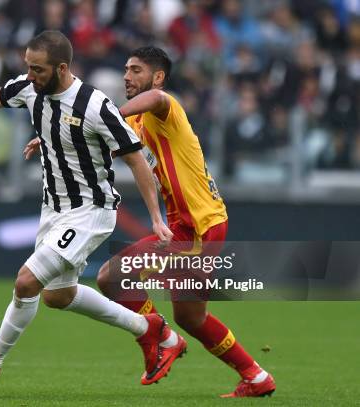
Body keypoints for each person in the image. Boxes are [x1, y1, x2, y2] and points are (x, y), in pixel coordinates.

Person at [0, 31, 174, 392]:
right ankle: (149, 329)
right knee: (58, 296)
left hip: (90, 211)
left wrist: (154, 217)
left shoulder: (94, 105)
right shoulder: (29, 88)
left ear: (61, 68)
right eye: (27, 66)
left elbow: (136, 160)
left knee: (26, 282)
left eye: (37, 69)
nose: (30, 75)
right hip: (53, 210)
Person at [89, 46, 276, 397]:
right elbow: (97, 142)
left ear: (157, 77)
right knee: (191, 317)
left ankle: (160, 337)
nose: (127, 76)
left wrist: (104, 118)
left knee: (112, 276)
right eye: (126, 69)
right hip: (194, 224)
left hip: (197, 226)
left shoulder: (165, 106)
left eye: (136, 70)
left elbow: (156, 99)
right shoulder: (133, 123)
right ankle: (256, 376)